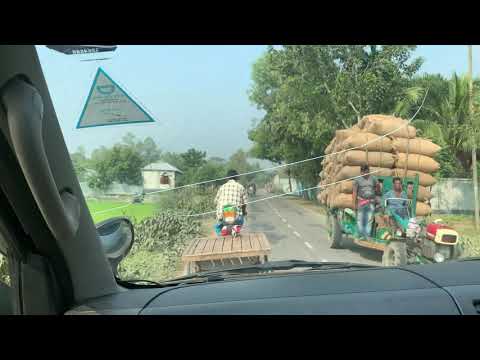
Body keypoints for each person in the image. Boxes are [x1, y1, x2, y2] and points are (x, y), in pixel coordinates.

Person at [214, 169, 248, 234]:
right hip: (236, 217)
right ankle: (235, 227)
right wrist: (244, 212)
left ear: (227, 178)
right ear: (237, 178)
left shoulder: (222, 187)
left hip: (223, 217)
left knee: (218, 224)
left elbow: (215, 201)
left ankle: (223, 228)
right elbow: (245, 203)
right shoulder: (241, 187)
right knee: (241, 218)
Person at [352, 164, 378, 240]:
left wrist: (377, 188)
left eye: (366, 171)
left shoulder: (373, 178)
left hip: (371, 202)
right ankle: (360, 234)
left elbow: (377, 187)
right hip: (361, 201)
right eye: (363, 171)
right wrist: (354, 204)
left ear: (368, 171)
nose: (364, 173)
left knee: (369, 219)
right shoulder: (357, 180)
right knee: (360, 218)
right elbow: (354, 192)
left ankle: (367, 235)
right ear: (361, 171)